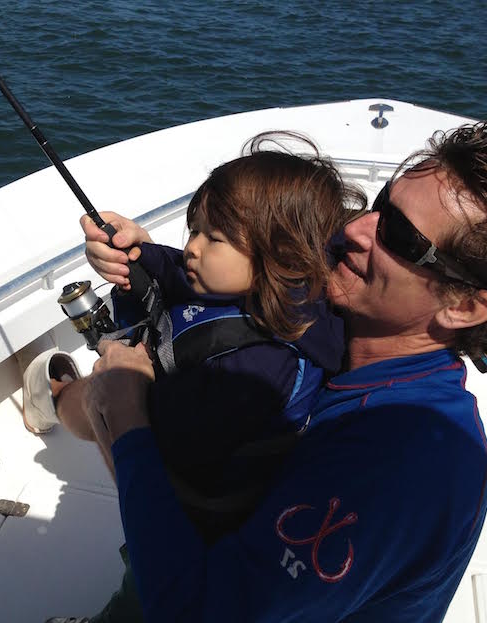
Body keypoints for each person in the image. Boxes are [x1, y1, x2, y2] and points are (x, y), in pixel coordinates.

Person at [75, 120, 487, 622]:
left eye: (402, 238)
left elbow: (195, 612)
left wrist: (127, 420)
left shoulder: (407, 467)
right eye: (380, 204)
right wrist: (140, 257)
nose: (354, 229)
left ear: (463, 308)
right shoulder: (353, 291)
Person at [23, 134, 362, 541]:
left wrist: (127, 378)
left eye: (212, 238)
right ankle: (57, 394)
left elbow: (169, 435)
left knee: (98, 393)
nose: (192, 249)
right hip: (191, 438)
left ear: (282, 256)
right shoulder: (273, 287)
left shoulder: (263, 370)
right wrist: (138, 254)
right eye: (194, 230)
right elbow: (179, 273)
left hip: (197, 521)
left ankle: (55, 395)